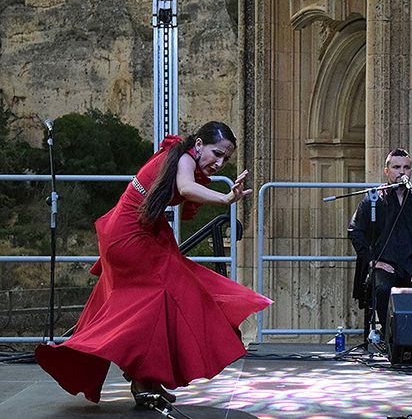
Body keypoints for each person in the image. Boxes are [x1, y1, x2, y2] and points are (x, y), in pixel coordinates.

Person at [35, 121, 272, 405]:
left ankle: (145, 378)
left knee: (162, 300)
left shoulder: (180, 156)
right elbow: (185, 188)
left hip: (140, 231)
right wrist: (225, 198)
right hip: (129, 235)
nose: (220, 163)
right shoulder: (183, 157)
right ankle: (141, 376)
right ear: (198, 145)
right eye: (216, 153)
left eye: (226, 158)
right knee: (168, 293)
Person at [348, 148, 412, 333]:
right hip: (385, 263)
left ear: (411, 171)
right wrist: (373, 260)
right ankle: (390, 334)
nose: (402, 172)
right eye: (396, 167)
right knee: (383, 288)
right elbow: (355, 231)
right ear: (387, 171)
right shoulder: (374, 198)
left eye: (406, 167)